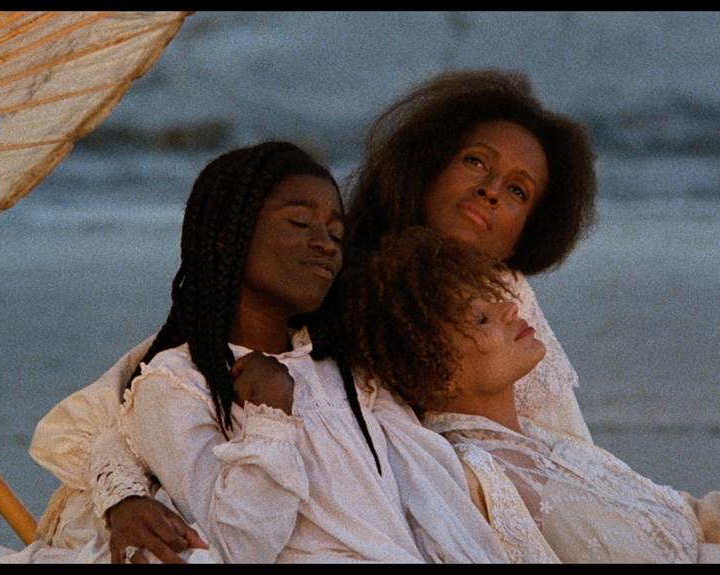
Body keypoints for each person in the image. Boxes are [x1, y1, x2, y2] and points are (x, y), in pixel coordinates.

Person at [29, 68, 598, 561]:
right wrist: (123, 498)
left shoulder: (508, 296)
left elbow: (565, 450)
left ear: (529, 229)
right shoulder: (328, 293)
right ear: (427, 165)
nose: (492, 191)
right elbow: (118, 408)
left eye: (519, 192)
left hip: (469, 515)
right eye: (475, 162)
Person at [115, 141, 499, 563]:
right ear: (226, 236)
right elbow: (239, 546)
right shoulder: (178, 382)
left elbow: (428, 502)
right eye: (300, 223)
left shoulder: (345, 371)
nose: (326, 244)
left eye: (336, 234)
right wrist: (269, 417)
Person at [341, 226, 720, 564]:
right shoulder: (473, 477)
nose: (510, 308)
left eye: (492, 300)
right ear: (433, 370)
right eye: (480, 319)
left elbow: (693, 520)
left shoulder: (541, 437)